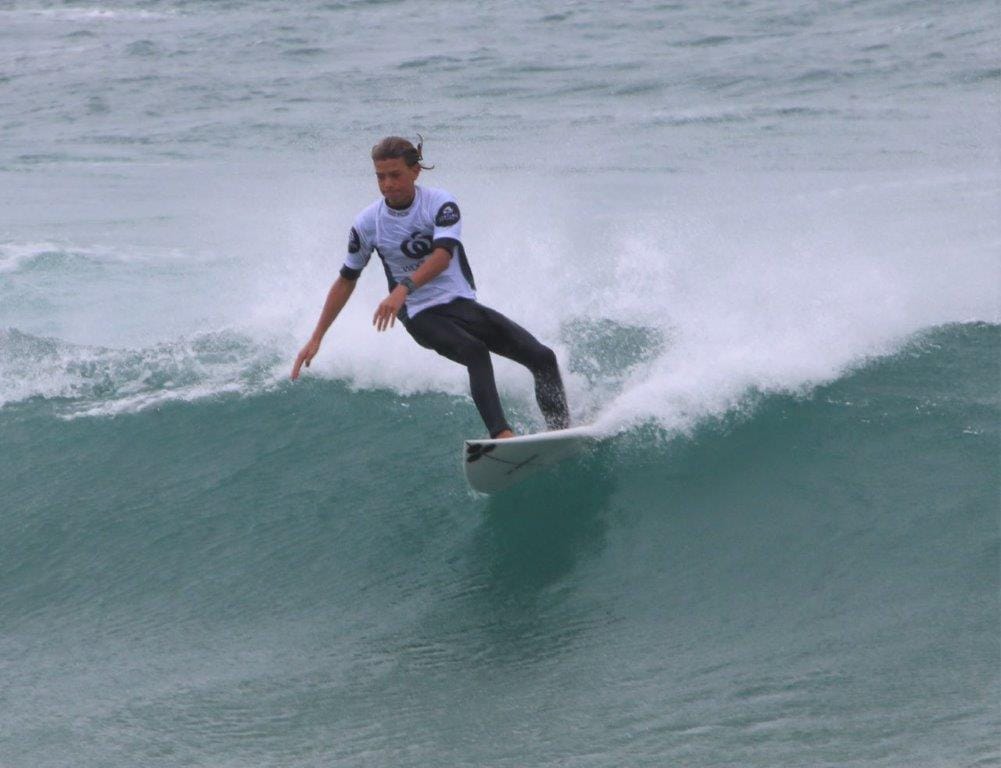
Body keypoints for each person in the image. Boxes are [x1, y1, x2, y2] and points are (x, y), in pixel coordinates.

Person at [291, 136, 570, 439]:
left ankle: (561, 433)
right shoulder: (367, 223)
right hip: (419, 312)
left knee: (543, 358)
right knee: (474, 351)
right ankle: (501, 434)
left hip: (459, 304)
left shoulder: (440, 204)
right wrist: (317, 336)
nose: (387, 184)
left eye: (395, 175)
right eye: (380, 177)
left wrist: (401, 288)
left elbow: (443, 254)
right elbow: (347, 279)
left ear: (415, 172)